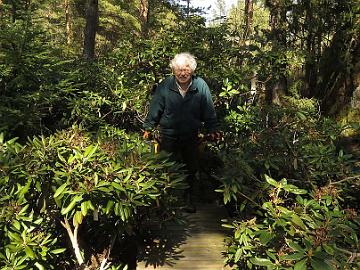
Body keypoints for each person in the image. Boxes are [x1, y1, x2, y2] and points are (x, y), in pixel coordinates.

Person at [143, 52, 220, 213]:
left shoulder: (200, 85)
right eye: (179, 69)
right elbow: (155, 108)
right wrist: (149, 127)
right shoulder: (165, 85)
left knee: (191, 169)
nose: (182, 73)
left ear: (192, 70)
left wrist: (212, 129)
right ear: (173, 70)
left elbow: (209, 111)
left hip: (191, 135)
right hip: (168, 135)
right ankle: (164, 203)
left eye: (186, 69)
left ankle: (189, 201)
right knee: (165, 169)